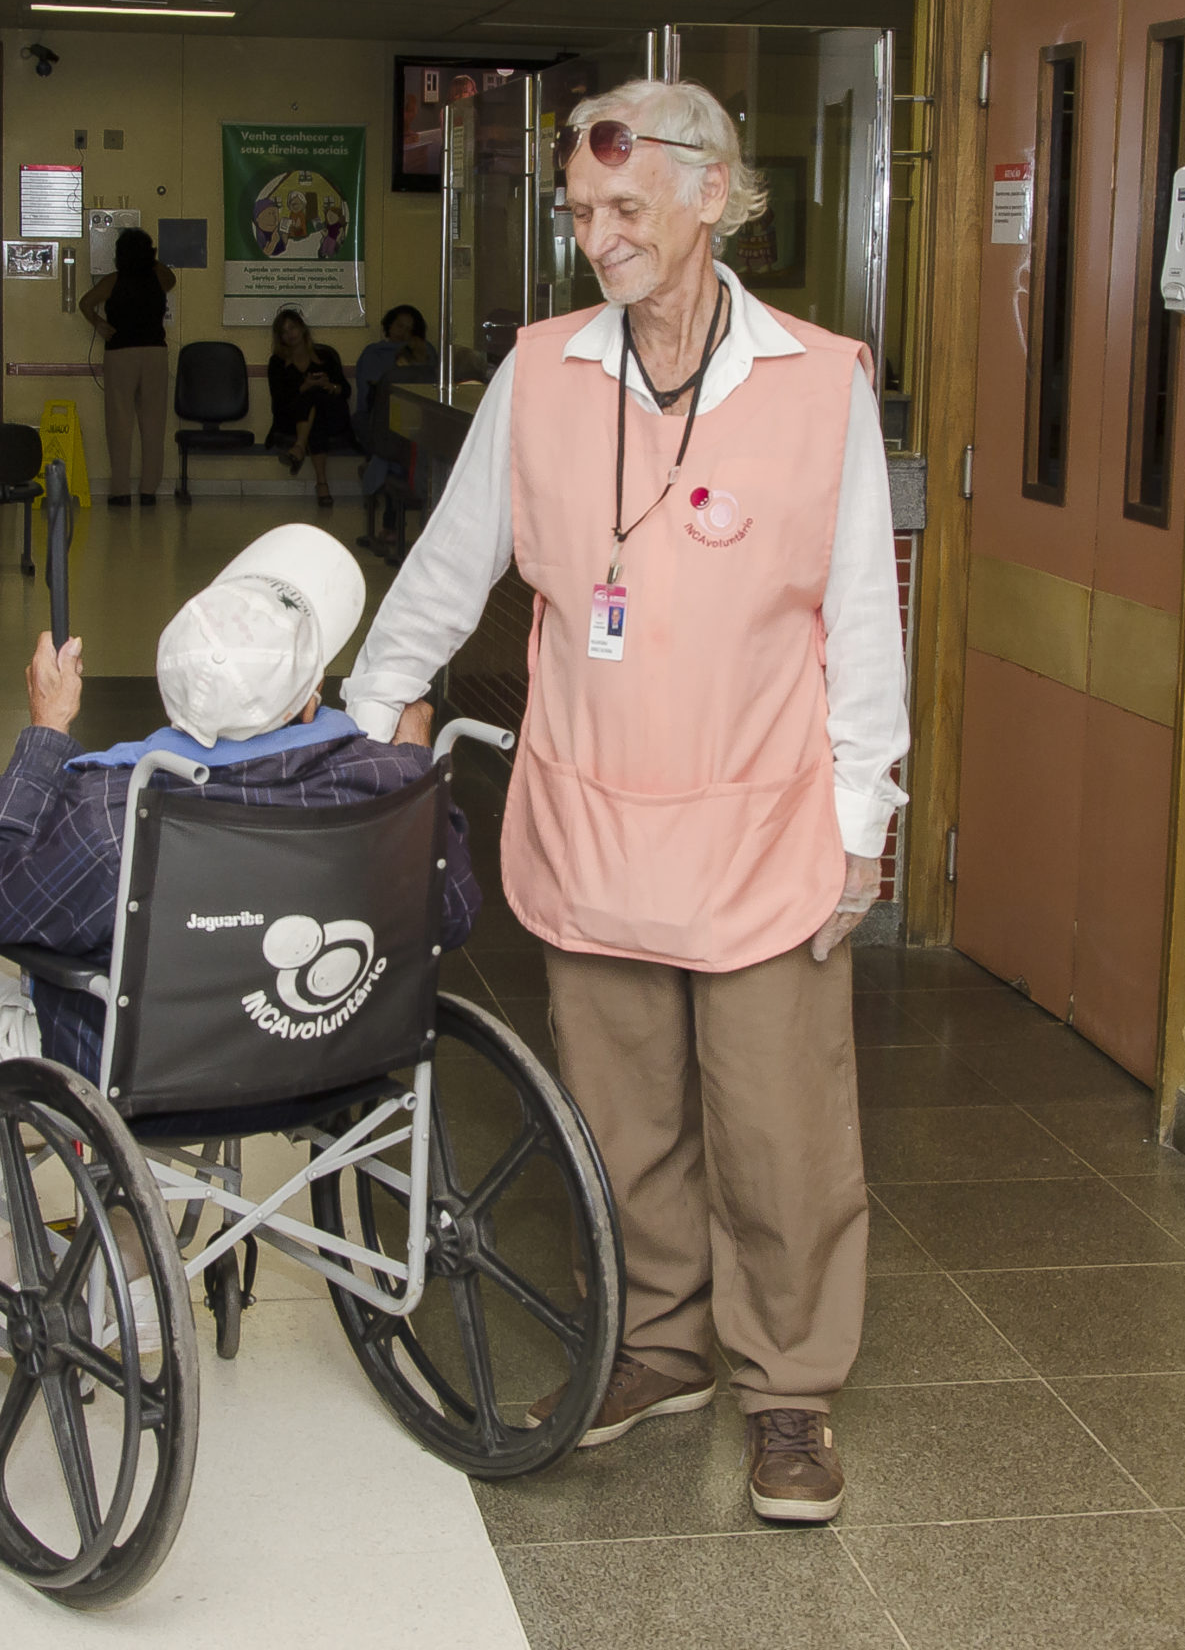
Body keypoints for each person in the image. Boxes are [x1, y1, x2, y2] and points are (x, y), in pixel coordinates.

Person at [342, 79, 909, 1521]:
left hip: (764, 822)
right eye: (581, 215)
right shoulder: (542, 376)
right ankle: (657, 1347)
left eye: (625, 209)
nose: (598, 239)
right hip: (594, 813)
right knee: (615, 1116)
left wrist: (862, 820)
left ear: (715, 195)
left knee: (779, 1126)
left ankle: (788, 1389)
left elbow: (859, 618)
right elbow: (449, 562)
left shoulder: (816, 379)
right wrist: (369, 714)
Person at [0, 524, 481, 1213]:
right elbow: (451, 912)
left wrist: (45, 734)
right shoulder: (383, 782)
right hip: (332, 1057)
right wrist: (420, 774)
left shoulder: (116, 809)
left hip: (142, 1077)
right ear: (308, 697)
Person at [79, 227, 175, 508]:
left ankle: (120, 491)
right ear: (150, 252)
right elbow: (172, 278)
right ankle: (148, 491)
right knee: (154, 424)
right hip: (155, 352)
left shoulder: (112, 281)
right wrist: (149, 258)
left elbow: (85, 303)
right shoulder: (159, 277)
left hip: (120, 352)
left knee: (119, 424)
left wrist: (98, 323)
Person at [352, 303, 438, 511]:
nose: (404, 333)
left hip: (418, 422)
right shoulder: (373, 353)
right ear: (389, 326)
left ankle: (380, 474)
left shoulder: (426, 352)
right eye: (400, 326)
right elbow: (366, 395)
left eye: (410, 329)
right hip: (378, 416)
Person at [266, 308, 351, 507]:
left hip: (333, 416)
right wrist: (304, 387)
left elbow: (346, 391)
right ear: (280, 338)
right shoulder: (277, 363)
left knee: (317, 397)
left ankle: (299, 448)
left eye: (293, 327)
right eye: (284, 331)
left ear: (303, 328)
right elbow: (278, 400)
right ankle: (322, 484)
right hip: (290, 418)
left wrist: (330, 386)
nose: (290, 334)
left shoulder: (326, 357)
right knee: (313, 400)